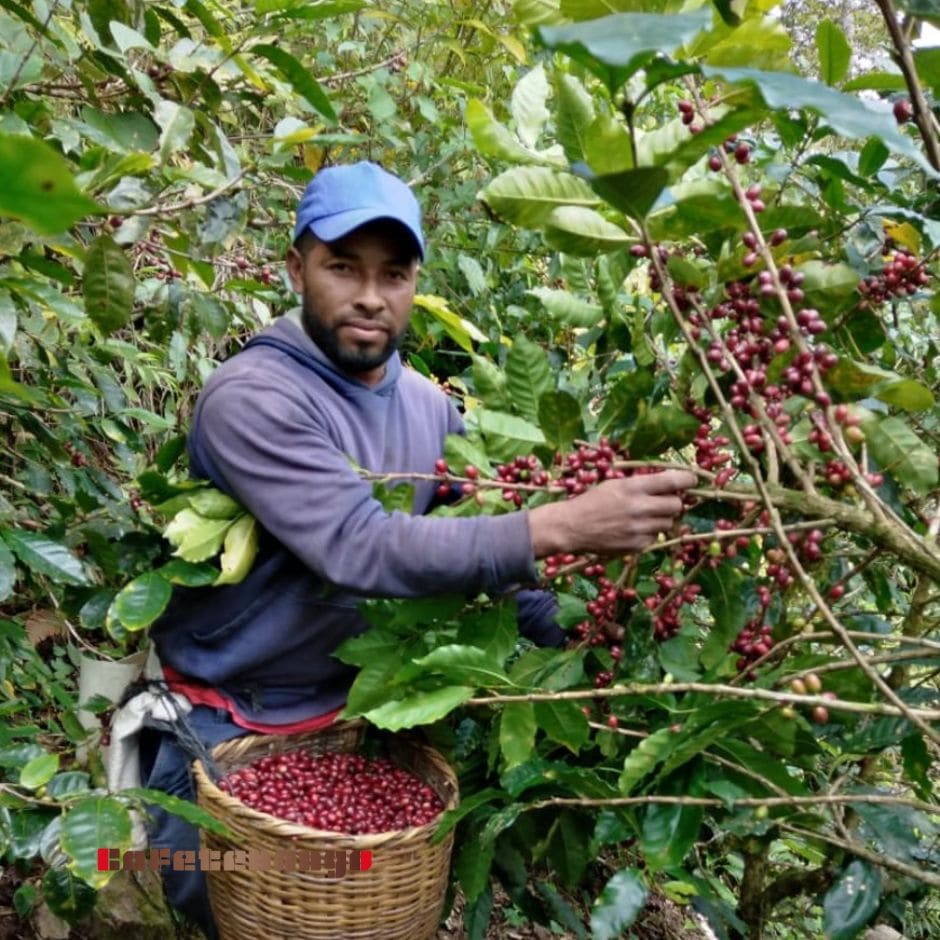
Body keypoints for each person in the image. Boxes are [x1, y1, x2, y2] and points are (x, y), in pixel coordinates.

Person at [133, 161, 696, 937]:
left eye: (392, 274)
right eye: (342, 268)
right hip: (231, 726)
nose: (370, 296)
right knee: (225, 900)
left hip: (367, 715)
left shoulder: (432, 408)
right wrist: (564, 524)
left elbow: (494, 556)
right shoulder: (254, 397)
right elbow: (358, 545)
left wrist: (585, 651)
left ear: (415, 281)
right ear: (296, 268)